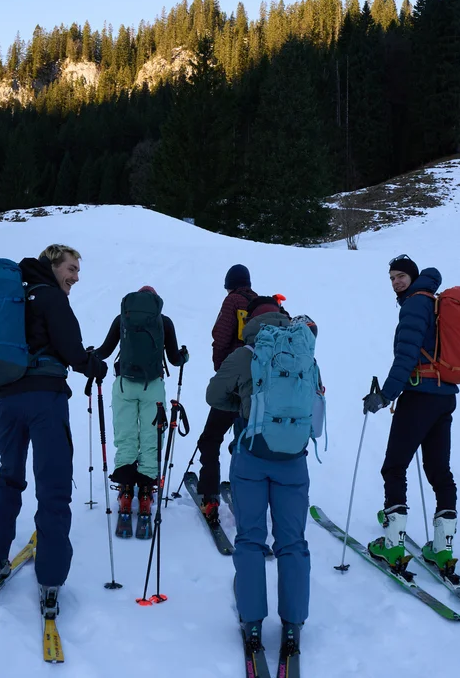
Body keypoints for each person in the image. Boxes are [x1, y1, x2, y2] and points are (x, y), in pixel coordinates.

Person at [0, 244, 109, 614]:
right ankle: (50, 578)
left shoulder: (16, 297)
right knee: (53, 488)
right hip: (45, 401)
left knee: (9, 479)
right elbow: (71, 349)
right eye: (71, 268)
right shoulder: (49, 297)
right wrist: (92, 365)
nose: (76, 276)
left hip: (9, 401)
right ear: (51, 265)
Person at [206, 298, 318, 660]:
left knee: (251, 539)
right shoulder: (303, 353)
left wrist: (243, 404)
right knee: (292, 542)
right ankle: (293, 625)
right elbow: (315, 398)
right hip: (294, 460)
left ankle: (253, 621)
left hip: (251, 457)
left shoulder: (245, 354)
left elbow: (213, 395)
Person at [362, 255, 459, 576]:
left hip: (419, 396)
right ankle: (442, 550)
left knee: (394, 466)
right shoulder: (434, 302)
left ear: (414, 277)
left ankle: (392, 543)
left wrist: (384, 396)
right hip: (444, 396)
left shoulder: (416, 305)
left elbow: (406, 356)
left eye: (401, 276)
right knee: (439, 470)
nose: (396, 282)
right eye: (392, 277)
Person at [92, 286, 188, 536]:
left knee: (125, 435)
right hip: (153, 387)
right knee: (151, 436)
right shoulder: (163, 322)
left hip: (123, 384)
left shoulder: (122, 318)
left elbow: (105, 351)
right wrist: (184, 357)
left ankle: (125, 490)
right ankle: (145, 492)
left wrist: (89, 355)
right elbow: (175, 359)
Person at [193, 264, 258, 523]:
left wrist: (222, 371)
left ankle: (209, 498)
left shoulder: (233, 301)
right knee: (245, 443)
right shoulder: (263, 305)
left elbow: (220, 337)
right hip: (257, 390)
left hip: (233, 385)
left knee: (211, 439)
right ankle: (247, 495)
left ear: (230, 284)